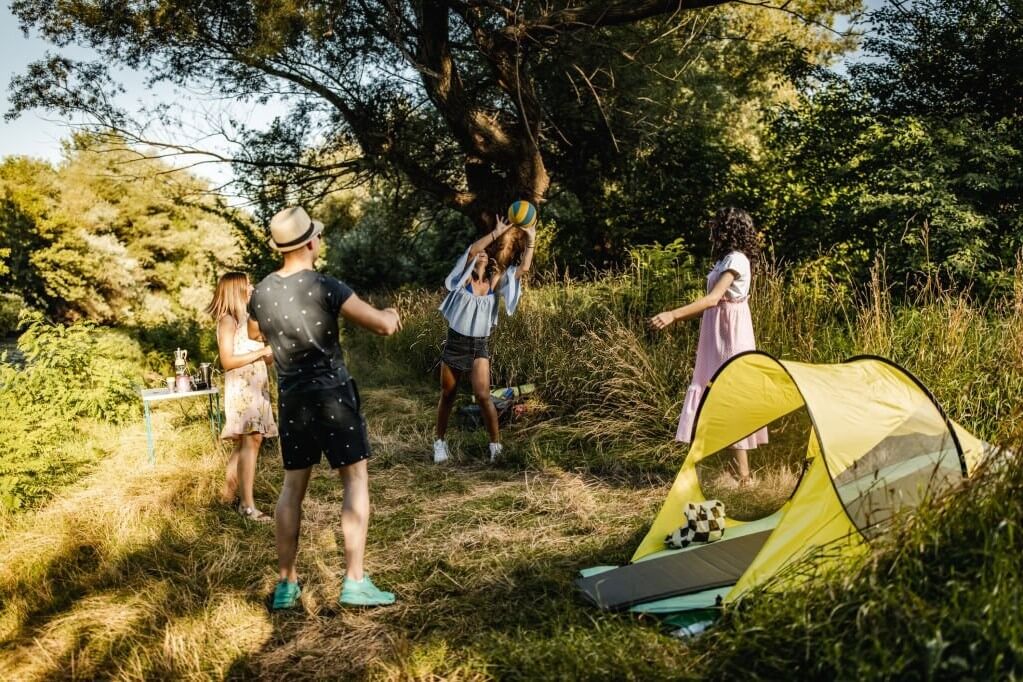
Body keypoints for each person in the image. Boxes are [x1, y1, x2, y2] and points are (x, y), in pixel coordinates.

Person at [247, 206, 402, 610]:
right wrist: (391, 314)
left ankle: (286, 585)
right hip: (333, 394)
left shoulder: (261, 292)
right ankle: (354, 582)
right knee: (354, 480)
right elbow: (382, 326)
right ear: (311, 242)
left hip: (293, 398)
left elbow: (253, 331)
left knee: (291, 488)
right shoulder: (326, 285)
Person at [649, 207, 768, 486]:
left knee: (729, 393)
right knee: (710, 391)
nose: (712, 230)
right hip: (716, 329)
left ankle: (744, 477)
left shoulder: (737, 259)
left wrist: (673, 315)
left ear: (729, 229)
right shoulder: (725, 258)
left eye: (716, 225)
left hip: (730, 331)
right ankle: (709, 467)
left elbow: (713, 299)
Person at [432, 215, 536, 464]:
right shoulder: (464, 281)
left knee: (483, 396)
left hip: (479, 344)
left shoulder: (493, 283)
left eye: (485, 255)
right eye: (478, 255)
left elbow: (523, 270)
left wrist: (530, 240)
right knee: (448, 394)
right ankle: (440, 443)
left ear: (489, 261)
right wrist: (496, 232)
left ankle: (495, 447)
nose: (480, 255)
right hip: (456, 341)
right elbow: (471, 250)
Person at [206, 272, 277, 522]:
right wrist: (261, 354)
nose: (252, 286)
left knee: (244, 444)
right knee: (252, 440)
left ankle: (227, 497)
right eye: (246, 283)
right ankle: (247, 507)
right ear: (236, 289)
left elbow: (266, 357)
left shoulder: (249, 320)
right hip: (242, 389)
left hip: (258, 387)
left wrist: (271, 349)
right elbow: (227, 361)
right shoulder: (228, 321)